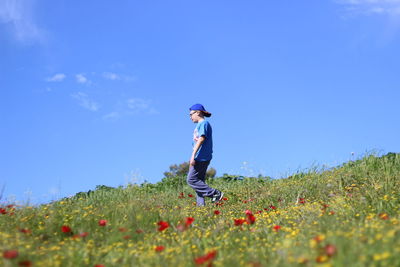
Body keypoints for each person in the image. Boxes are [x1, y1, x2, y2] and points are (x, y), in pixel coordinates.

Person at [187, 103, 224, 206]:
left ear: (198, 112)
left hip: (201, 157)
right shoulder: (200, 125)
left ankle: (215, 193)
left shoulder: (204, 123)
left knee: (191, 180)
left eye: (191, 114)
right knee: (199, 183)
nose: (190, 117)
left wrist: (193, 155)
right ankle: (201, 208)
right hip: (200, 156)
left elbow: (202, 139)